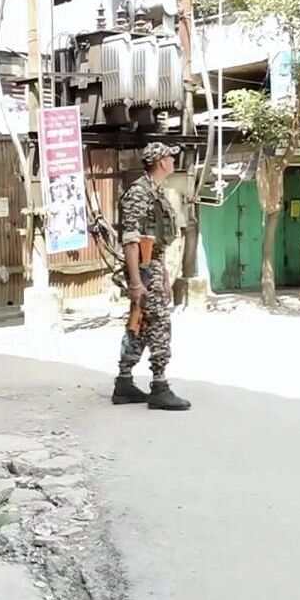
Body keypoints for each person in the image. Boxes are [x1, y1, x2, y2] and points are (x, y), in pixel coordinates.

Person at [111, 142, 192, 411]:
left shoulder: (155, 191)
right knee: (158, 322)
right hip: (144, 268)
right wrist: (136, 282)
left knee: (141, 325)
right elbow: (131, 240)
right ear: (160, 161)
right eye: (169, 156)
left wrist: (164, 274)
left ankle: (124, 382)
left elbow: (156, 240)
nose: (172, 160)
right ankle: (159, 386)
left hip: (152, 265)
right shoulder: (140, 193)